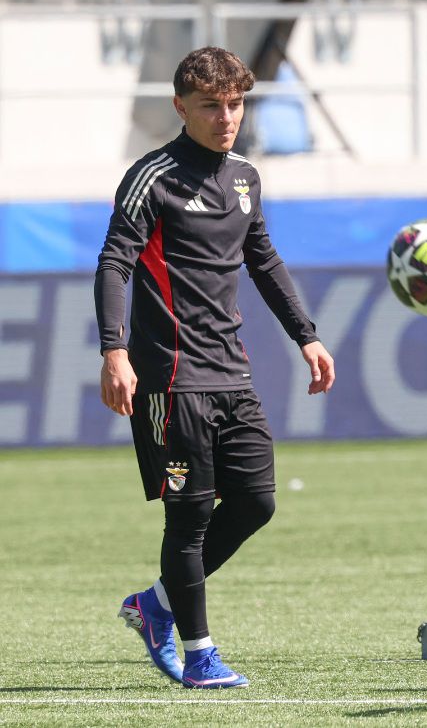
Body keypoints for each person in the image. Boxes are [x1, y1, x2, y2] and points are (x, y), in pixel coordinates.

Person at [95, 47, 336, 689]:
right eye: (211, 106)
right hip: (172, 380)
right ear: (180, 107)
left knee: (256, 503)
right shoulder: (153, 178)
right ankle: (200, 653)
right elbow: (115, 263)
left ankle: (157, 606)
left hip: (233, 374)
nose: (226, 117)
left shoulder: (244, 178)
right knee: (190, 518)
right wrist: (114, 352)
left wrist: (306, 338)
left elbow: (262, 259)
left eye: (235, 104)